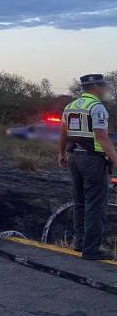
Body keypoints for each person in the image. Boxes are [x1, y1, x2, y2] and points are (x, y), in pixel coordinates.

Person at [59, 74, 117, 261]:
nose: (104, 90)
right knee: (95, 205)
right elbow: (102, 137)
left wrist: (61, 153)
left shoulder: (70, 106)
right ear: (94, 87)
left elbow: (63, 133)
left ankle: (80, 243)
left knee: (80, 202)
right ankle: (91, 249)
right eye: (102, 86)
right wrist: (116, 160)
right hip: (92, 161)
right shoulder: (96, 107)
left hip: (75, 158)